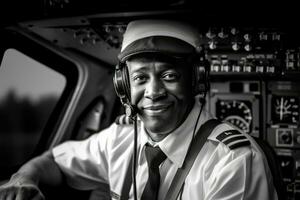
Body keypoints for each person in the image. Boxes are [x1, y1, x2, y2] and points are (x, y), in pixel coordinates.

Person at [0, 19, 278, 200]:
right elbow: (54, 161)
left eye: (170, 76)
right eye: (140, 78)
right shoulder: (117, 139)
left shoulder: (235, 160)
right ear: (123, 86)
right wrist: (24, 177)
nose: (154, 92)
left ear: (195, 81)